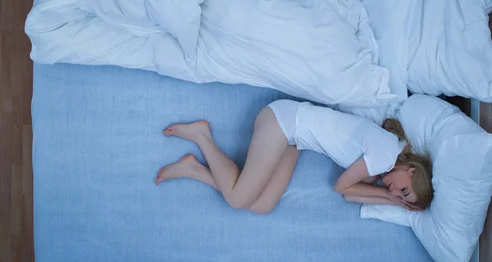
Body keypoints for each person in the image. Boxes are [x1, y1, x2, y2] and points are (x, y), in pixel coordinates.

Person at [156, 100, 433, 214]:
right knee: (238, 199)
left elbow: (349, 196)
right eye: (403, 190)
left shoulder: (385, 161)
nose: (394, 190)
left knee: (262, 205)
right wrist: (387, 197)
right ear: (411, 171)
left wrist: (389, 198)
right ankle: (202, 136)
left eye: (400, 197)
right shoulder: (386, 154)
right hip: (285, 123)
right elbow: (340, 187)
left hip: (293, 139)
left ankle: (193, 169)